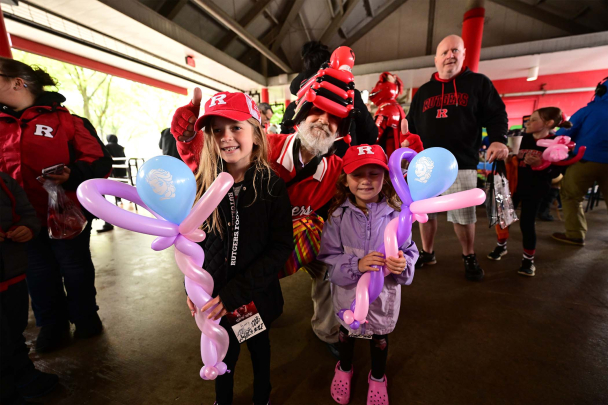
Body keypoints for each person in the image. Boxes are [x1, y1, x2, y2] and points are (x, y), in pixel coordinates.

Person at [172, 47, 366, 356]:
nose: (323, 122)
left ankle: (327, 331)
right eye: (317, 111)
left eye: (335, 120)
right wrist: (189, 133)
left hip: (288, 245)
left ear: (341, 131)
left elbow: (368, 182)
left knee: (336, 267)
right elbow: (208, 160)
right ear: (301, 114)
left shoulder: (334, 171)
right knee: (245, 303)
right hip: (246, 245)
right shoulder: (265, 147)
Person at [181, 91, 293, 405]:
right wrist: (191, 288)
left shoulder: (271, 185)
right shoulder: (202, 184)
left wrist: (237, 293)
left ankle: (262, 397)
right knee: (222, 355)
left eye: (235, 127)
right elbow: (188, 243)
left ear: (256, 135)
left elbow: (281, 246)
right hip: (214, 300)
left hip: (251, 299)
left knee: (258, 350)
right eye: (217, 130)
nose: (226, 137)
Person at [0, 58, 112, 352]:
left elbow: (99, 161)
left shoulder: (67, 121)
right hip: (22, 221)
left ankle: (86, 317)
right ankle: (52, 325)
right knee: (38, 272)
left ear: (16, 82)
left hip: (67, 217)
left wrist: (71, 174)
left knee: (75, 267)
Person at [317, 144, 418, 404]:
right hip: (348, 299)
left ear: (386, 177)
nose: (366, 181)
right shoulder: (337, 218)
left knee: (379, 340)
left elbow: (409, 250)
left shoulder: (397, 215)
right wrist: (356, 264)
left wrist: (402, 264)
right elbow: (328, 257)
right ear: (345, 180)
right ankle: (345, 369)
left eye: (374, 173)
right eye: (357, 175)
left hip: (383, 301)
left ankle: (377, 377)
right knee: (347, 337)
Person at [406, 34, 509, 281]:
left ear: (463, 55)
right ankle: (427, 252)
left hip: (461, 163)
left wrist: (498, 139)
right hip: (426, 166)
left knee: (463, 217)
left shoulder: (478, 84)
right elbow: (410, 126)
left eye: (455, 50)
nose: (450, 55)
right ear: (436, 59)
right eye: (444, 52)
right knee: (424, 213)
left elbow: (496, 114)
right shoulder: (424, 92)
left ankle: (468, 255)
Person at [487, 108, 570, 276]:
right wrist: (508, 157)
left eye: (533, 120)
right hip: (513, 186)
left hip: (535, 188)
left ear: (549, 123)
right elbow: (509, 155)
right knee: (503, 217)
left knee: (527, 222)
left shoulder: (556, 142)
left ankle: (528, 260)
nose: (528, 123)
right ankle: (501, 247)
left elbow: (557, 172)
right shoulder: (522, 139)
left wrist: (541, 164)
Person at [0, 172, 59, 404]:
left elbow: (27, 214)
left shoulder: (5, 181)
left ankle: (24, 374)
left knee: (15, 328)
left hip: (12, 272)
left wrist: (28, 227)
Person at [282, 41, 378, 157]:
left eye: (334, 116)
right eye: (317, 110)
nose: (324, 120)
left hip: (300, 166)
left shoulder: (295, 104)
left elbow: (285, 136)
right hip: (342, 164)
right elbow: (370, 135)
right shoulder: (350, 98)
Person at [551, 76, 608, 246]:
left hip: (585, 160)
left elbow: (564, 133)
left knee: (571, 196)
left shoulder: (589, 110)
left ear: (600, 91)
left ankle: (575, 234)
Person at [370, 72, 423, 157]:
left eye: (380, 84)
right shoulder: (396, 107)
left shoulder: (386, 108)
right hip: (397, 154)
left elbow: (373, 136)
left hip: (387, 156)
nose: (375, 88)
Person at [98, 134, 126, 233]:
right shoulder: (120, 147)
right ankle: (119, 199)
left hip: (112, 170)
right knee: (120, 185)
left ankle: (108, 221)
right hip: (122, 170)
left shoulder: (106, 147)